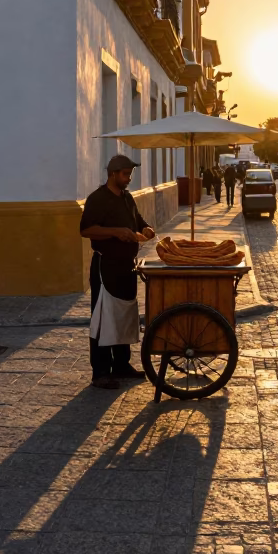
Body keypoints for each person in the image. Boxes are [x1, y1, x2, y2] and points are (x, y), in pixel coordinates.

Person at [79, 154, 155, 389]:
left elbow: (138, 221)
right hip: (106, 266)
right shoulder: (97, 198)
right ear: (113, 174)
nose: (129, 178)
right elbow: (86, 230)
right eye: (125, 174)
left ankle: (121, 365)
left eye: (130, 174)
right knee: (104, 317)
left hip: (126, 266)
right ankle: (100, 372)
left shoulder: (127, 198)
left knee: (123, 316)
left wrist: (146, 228)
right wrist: (115, 232)